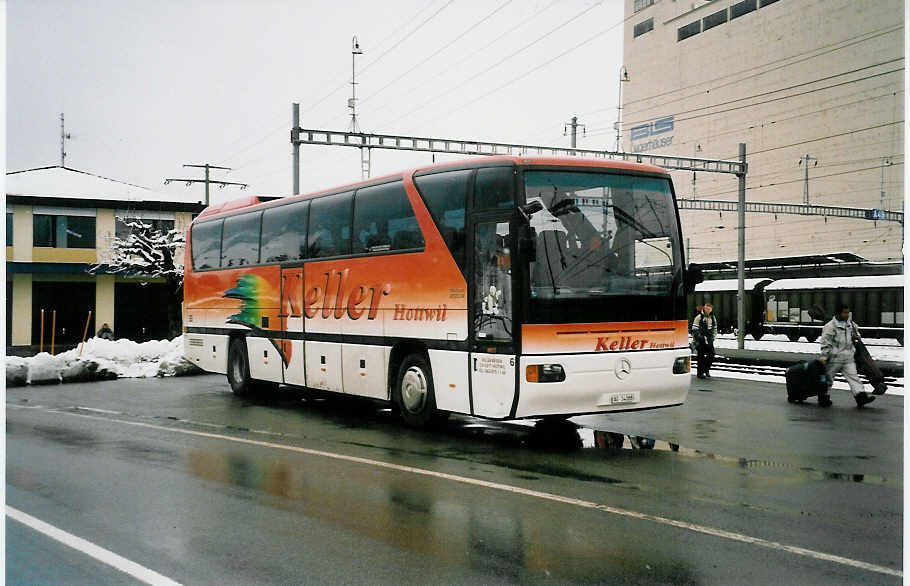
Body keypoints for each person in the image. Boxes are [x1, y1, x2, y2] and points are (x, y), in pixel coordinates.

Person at [818, 304, 879, 408]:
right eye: (845, 313)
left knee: (854, 378)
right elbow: (825, 343)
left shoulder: (850, 324)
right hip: (834, 358)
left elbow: (856, 331)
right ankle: (824, 397)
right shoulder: (830, 326)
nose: (847, 315)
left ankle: (861, 397)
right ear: (838, 313)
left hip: (848, 358)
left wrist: (857, 335)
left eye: (848, 312)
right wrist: (824, 357)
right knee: (828, 379)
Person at [691, 303, 717, 379]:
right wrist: (698, 337)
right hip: (700, 338)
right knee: (701, 356)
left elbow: (715, 328)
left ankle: (706, 370)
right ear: (704, 309)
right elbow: (694, 329)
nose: (708, 310)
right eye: (706, 309)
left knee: (711, 355)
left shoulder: (712, 317)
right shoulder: (699, 317)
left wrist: (713, 337)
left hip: (709, 338)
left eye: (709, 309)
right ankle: (700, 373)